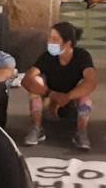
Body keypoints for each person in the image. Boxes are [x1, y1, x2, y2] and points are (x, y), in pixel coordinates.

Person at [22, 22, 97, 150]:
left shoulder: (82, 56)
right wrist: (51, 94)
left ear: (67, 43)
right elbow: (26, 80)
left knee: (85, 94)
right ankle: (37, 128)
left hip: (73, 97)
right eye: (49, 38)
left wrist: (68, 96)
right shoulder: (47, 57)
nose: (50, 42)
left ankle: (81, 132)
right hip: (50, 96)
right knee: (36, 82)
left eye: (55, 39)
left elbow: (91, 82)